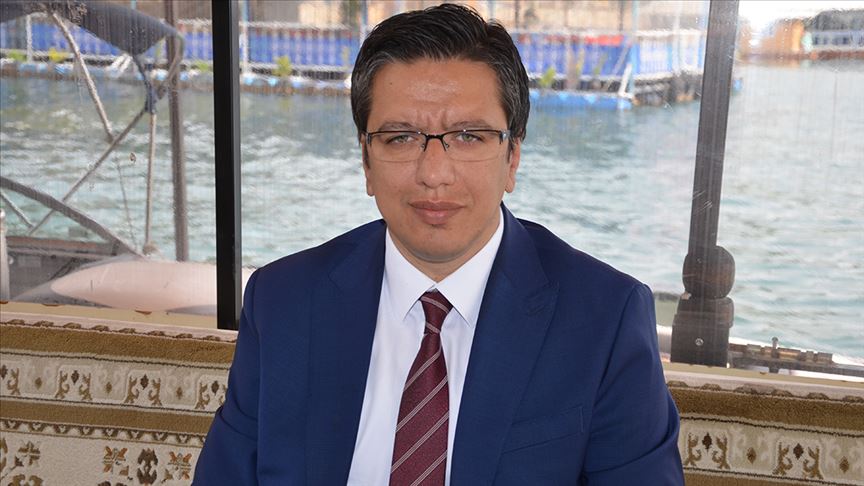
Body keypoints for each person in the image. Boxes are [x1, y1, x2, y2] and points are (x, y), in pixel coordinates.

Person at [194, 4, 683, 485]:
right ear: (366, 161)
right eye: (400, 138)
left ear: (512, 157)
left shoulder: (604, 319)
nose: (433, 174)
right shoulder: (282, 301)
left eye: (468, 136)